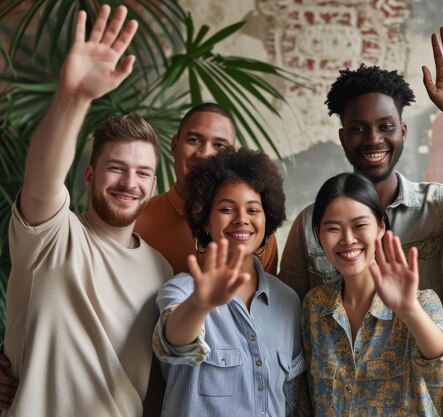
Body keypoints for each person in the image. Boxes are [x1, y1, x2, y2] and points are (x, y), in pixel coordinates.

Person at [3, 5, 172, 417]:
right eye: (116, 168)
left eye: (142, 173)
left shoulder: (162, 270)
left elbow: (152, 381)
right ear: (89, 175)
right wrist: (74, 96)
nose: (129, 182)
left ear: (153, 185)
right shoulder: (51, 235)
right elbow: (42, 174)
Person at [278, 26, 443, 302]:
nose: (373, 139)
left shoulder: (441, 206)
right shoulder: (309, 225)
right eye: (358, 129)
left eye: (386, 126)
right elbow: (288, 315)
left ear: (403, 132)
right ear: (343, 137)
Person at [152, 147, 305, 417]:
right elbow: (172, 345)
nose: (241, 219)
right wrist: (200, 304)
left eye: (253, 209)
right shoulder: (182, 290)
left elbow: (290, 397)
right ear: (206, 220)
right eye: (226, 209)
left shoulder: (288, 300)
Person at [301, 172, 443, 416]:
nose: (348, 239)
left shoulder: (421, 302)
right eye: (333, 229)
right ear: (319, 234)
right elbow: (305, 400)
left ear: (380, 227)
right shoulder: (315, 306)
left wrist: (409, 310)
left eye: (359, 225)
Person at [134, 103, 279, 275]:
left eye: (219, 145)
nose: (204, 154)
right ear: (174, 146)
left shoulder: (253, 230)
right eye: (194, 140)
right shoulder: (136, 219)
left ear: (231, 155)